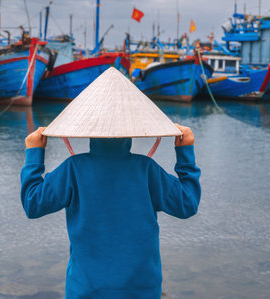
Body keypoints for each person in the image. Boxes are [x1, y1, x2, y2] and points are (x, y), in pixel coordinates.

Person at [20, 67, 201, 299]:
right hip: (142, 290)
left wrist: (35, 153)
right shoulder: (146, 170)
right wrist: (185, 152)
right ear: (133, 128)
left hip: (86, 291)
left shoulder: (74, 169)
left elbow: (32, 204)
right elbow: (187, 205)